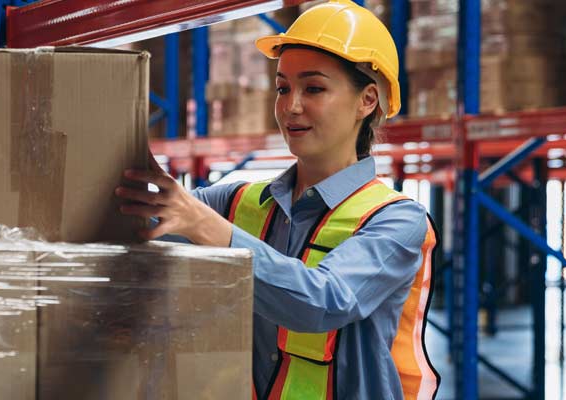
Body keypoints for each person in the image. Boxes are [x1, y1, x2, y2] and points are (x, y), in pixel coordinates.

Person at [115, 1, 439, 398]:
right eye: (283, 88)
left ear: (367, 100)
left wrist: (203, 225)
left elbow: (322, 302)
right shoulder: (237, 201)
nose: (291, 106)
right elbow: (132, 227)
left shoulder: (397, 221)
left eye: (314, 88)